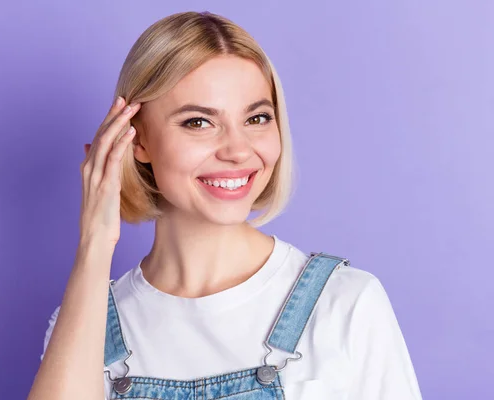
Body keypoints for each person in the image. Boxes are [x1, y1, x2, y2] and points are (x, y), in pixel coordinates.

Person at [27, 11, 422, 400]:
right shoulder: (85, 321)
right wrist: (95, 243)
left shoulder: (345, 303)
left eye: (257, 118)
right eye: (199, 122)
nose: (237, 150)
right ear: (138, 141)